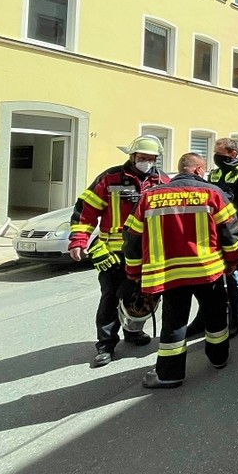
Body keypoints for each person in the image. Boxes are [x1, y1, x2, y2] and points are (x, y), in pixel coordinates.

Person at [123, 153, 238, 389]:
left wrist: (133, 272)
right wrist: (232, 262)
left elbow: (132, 237)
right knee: (216, 316)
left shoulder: (150, 196)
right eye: (204, 168)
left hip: (170, 273)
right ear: (197, 170)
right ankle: (219, 359)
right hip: (207, 271)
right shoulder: (212, 193)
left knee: (174, 323)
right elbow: (230, 232)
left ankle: (170, 375)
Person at [69, 135, 170, 367]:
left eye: (151, 158)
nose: (147, 162)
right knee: (111, 297)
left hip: (147, 254)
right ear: (132, 156)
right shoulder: (110, 178)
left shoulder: (162, 180)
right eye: (142, 157)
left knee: (142, 296)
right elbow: (85, 211)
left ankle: (133, 331)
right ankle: (105, 344)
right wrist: (78, 241)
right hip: (115, 254)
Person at [186, 138, 238, 338]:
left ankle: (236, 318)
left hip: (232, 234)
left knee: (234, 277)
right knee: (207, 277)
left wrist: (233, 231)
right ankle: (203, 318)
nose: (216, 157)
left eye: (220, 154)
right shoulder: (215, 173)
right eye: (215, 154)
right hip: (211, 235)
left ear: (233, 154)